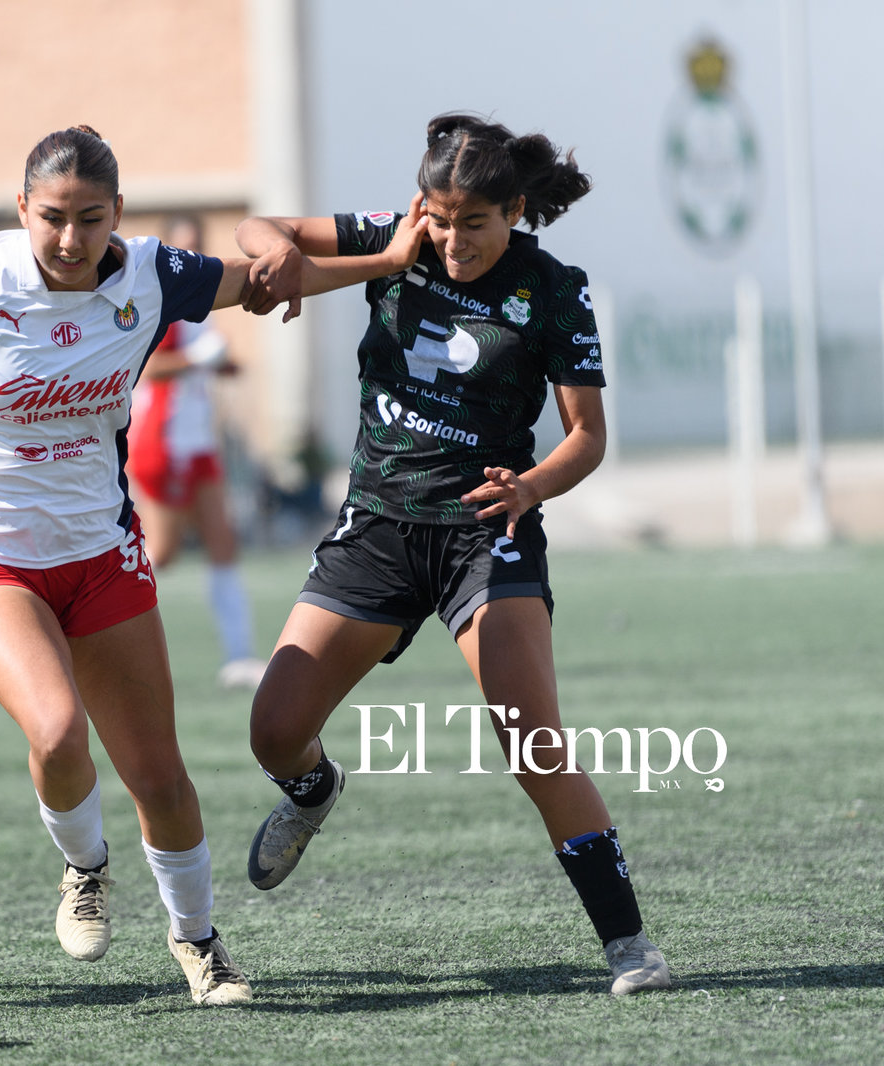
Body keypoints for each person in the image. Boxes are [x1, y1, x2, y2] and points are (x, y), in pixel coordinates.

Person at [0, 126, 415, 1005]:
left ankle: (200, 944)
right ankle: (84, 866)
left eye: (90, 219)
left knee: (159, 775)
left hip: (100, 551)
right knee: (56, 732)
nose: (68, 238)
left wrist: (385, 259)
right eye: (51, 217)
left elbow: (266, 280)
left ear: (116, 215)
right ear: (23, 212)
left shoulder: (154, 274)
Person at [234, 112, 671, 995]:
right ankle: (315, 793)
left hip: (488, 531)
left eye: (473, 223)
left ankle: (629, 945)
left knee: (532, 743)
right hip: (379, 528)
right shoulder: (399, 241)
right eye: (438, 218)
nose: (452, 239)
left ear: (515, 210)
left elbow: (586, 437)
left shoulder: (554, 289)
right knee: (274, 731)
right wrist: (308, 258)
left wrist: (532, 488)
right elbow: (264, 229)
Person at [125, 214, 269, 691]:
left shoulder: (200, 298)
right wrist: (198, 359)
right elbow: (145, 369)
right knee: (159, 554)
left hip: (199, 438)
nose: (191, 254)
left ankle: (240, 657)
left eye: (198, 245)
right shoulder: (155, 301)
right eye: (183, 245)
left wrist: (220, 363)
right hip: (161, 440)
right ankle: (106, 640)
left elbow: (202, 362)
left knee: (223, 544)